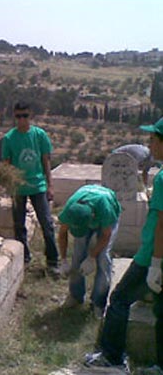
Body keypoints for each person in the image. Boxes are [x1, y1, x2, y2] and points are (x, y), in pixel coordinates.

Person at [84, 117, 163, 374]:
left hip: (151, 254)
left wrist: (155, 263)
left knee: (118, 299)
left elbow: (162, 223)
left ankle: (112, 357)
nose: (150, 144)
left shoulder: (162, 178)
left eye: (154, 139)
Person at [1, 101, 59, 274]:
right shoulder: (9, 138)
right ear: (14, 116)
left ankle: (53, 261)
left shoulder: (39, 135)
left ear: (30, 115)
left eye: (25, 116)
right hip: (18, 188)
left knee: (47, 224)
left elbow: (45, 161)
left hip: (38, 185)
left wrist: (50, 185)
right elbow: (7, 164)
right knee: (19, 226)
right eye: (18, 116)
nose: (22, 120)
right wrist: (8, 185)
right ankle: (24, 258)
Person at [58, 184, 121, 318]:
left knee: (103, 258)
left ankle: (98, 303)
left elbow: (106, 235)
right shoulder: (70, 210)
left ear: (92, 217)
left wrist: (92, 257)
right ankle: (76, 296)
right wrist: (63, 260)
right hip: (88, 213)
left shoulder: (105, 208)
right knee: (77, 256)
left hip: (107, 217)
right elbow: (62, 233)